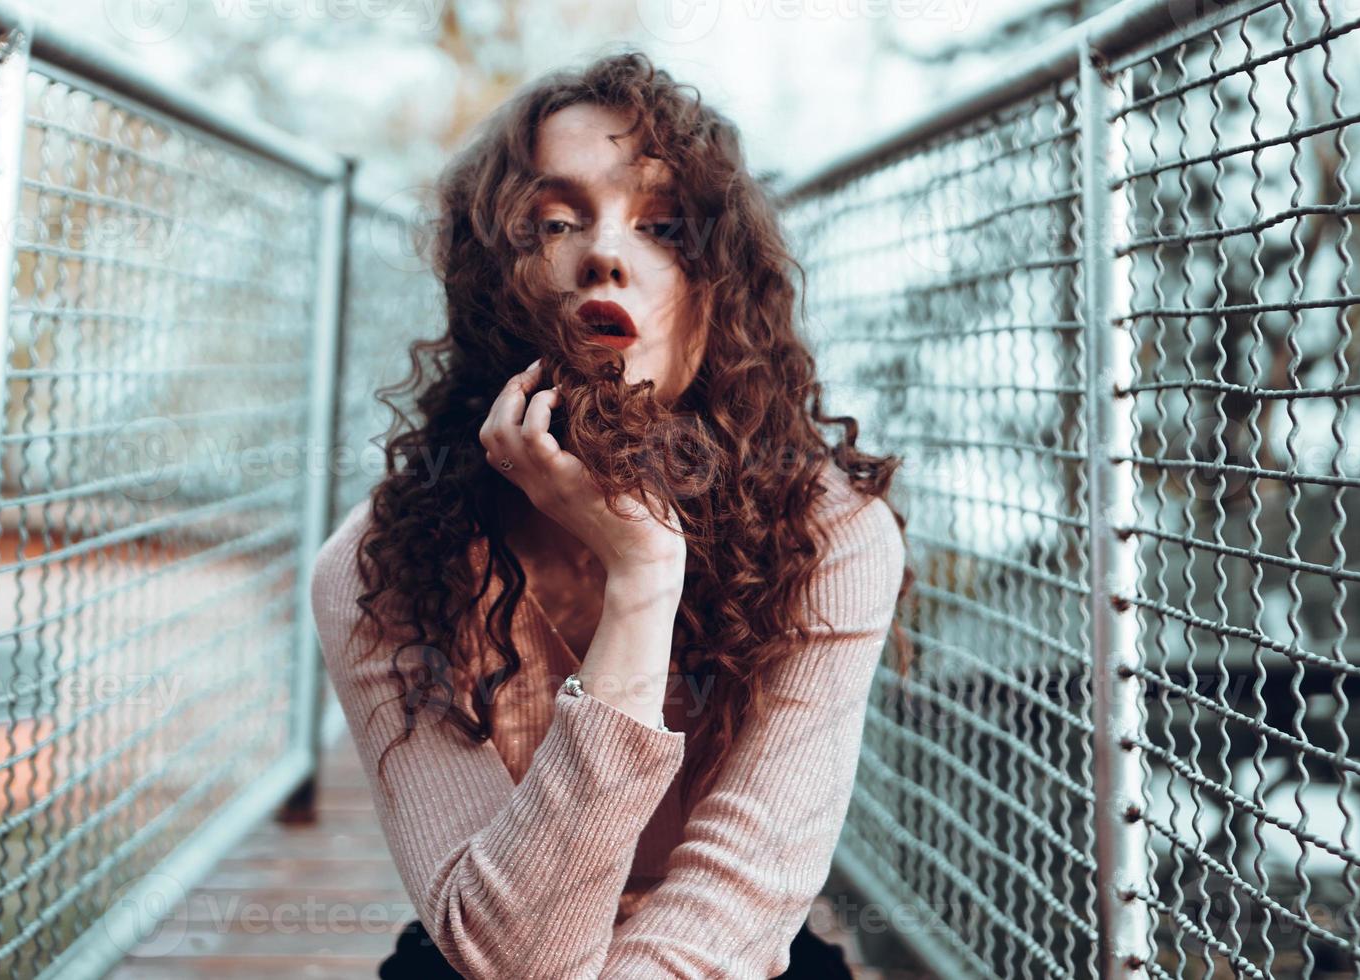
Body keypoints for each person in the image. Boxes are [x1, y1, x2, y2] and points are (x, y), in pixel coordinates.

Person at [310, 48, 913, 979]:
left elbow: (734, 905)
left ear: (717, 294)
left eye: (665, 226)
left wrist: (646, 558)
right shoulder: (378, 570)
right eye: (554, 221)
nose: (605, 252)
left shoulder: (829, 534)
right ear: (495, 286)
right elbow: (507, 957)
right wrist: (643, 581)